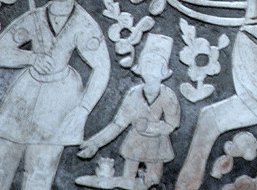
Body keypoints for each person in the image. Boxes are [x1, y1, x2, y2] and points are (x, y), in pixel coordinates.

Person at [0, 0, 111, 190]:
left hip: (60, 100)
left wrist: (82, 111)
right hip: (23, 97)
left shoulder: (84, 25)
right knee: (1, 162)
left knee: (40, 172)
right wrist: (30, 57)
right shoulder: (35, 17)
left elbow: (102, 68)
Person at [77, 34, 181, 190]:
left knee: (152, 181)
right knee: (128, 182)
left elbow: (172, 124)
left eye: (156, 64)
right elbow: (118, 124)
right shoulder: (134, 94)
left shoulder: (168, 96)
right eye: (147, 63)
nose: (151, 68)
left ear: (165, 72)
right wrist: (95, 143)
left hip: (158, 146)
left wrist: (151, 128)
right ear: (139, 68)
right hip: (135, 143)